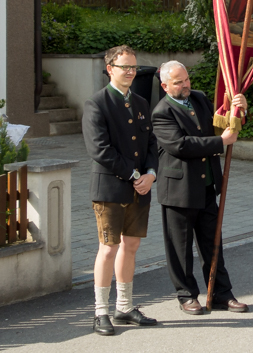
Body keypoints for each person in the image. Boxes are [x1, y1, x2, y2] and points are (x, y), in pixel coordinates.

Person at [151, 61, 249, 315]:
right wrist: (220, 142)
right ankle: (186, 295)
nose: (185, 85)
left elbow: (221, 124)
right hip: (179, 191)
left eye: (186, 79)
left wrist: (240, 111)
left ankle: (221, 293)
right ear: (164, 86)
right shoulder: (161, 112)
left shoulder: (199, 98)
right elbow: (181, 145)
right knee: (180, 248)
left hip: (206, 186)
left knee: (212, 244)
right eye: (178, 82)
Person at [82, 45, 159, 335]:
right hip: (111, 189)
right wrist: (135, 174)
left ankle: (124, 307)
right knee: (108, 248)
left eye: (133, 67)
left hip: (141, 187)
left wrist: (151, 174)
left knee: (131, 246)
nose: (130, 72)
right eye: (124, 67)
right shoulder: (96, 103)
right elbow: (99, 150)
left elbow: (151, 143)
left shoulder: (140, 102)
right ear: (109, 69)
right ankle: (101, 312)